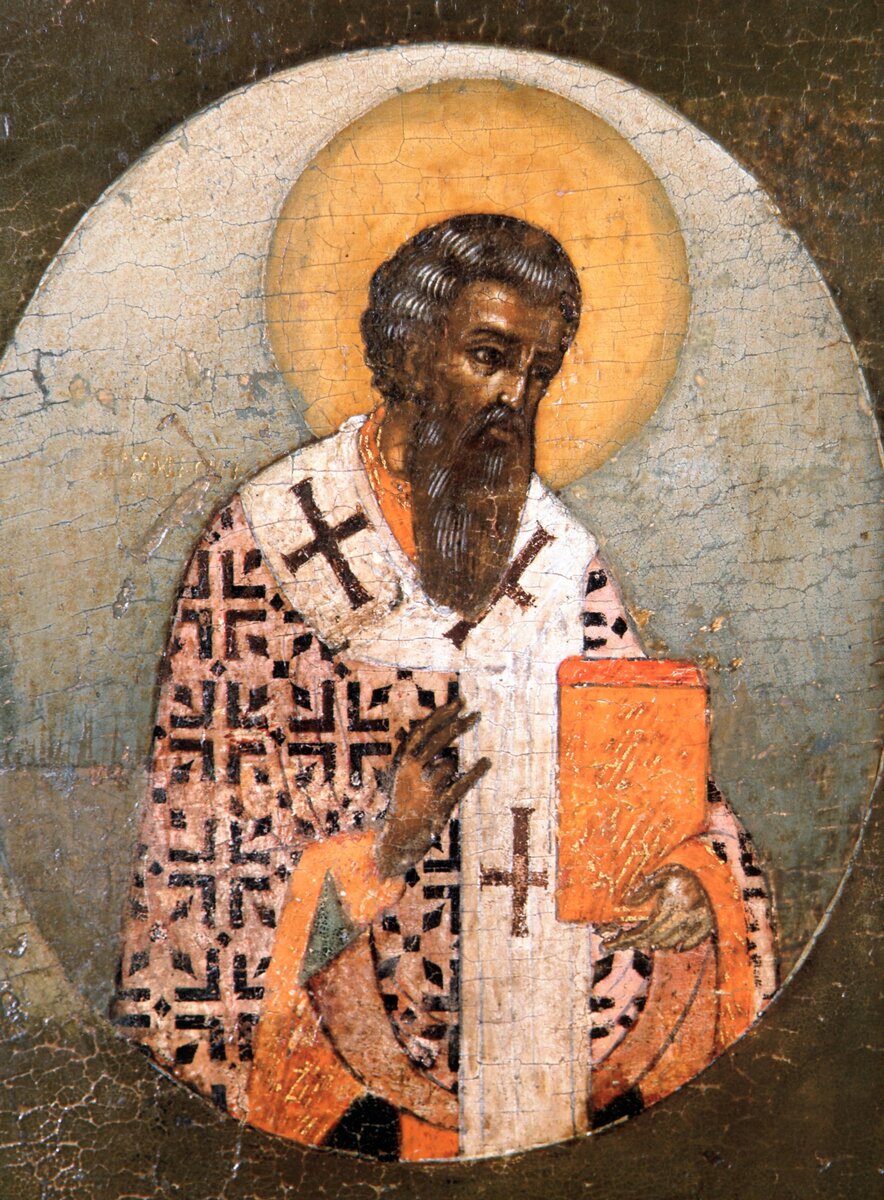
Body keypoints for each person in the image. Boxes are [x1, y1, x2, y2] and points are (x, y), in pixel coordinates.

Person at [113, 214, 776, 1161]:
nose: (513, 397)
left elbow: (658, 777)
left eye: (538, 372)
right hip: (353, 1073)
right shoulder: (269, 545)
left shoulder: (558, 557)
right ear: (412, 352)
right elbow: (204, 870)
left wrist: (687, 884)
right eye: (488, 357)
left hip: (568, 1034)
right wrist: (386, 847)